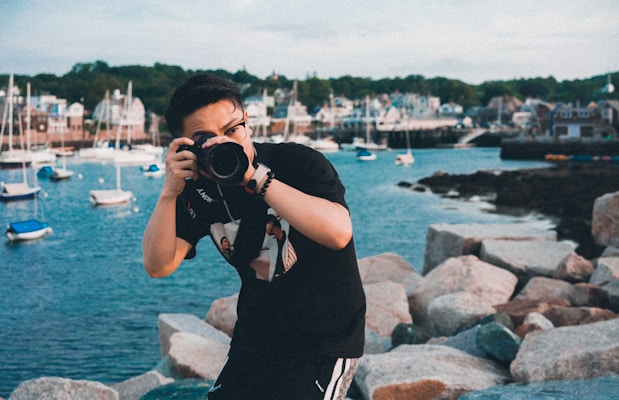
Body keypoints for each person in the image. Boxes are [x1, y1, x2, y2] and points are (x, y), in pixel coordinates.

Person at [143, 73, 366, 399]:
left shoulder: (297, 163)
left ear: (247, 122)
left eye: (233, 130)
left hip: (325, 338)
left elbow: (338, 232)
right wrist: (168, 193)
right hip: (256, 335)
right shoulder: (197, 191)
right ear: (185, 146)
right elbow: (158, 265)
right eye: (207, 138)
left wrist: (255, 178)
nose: (225, 144)